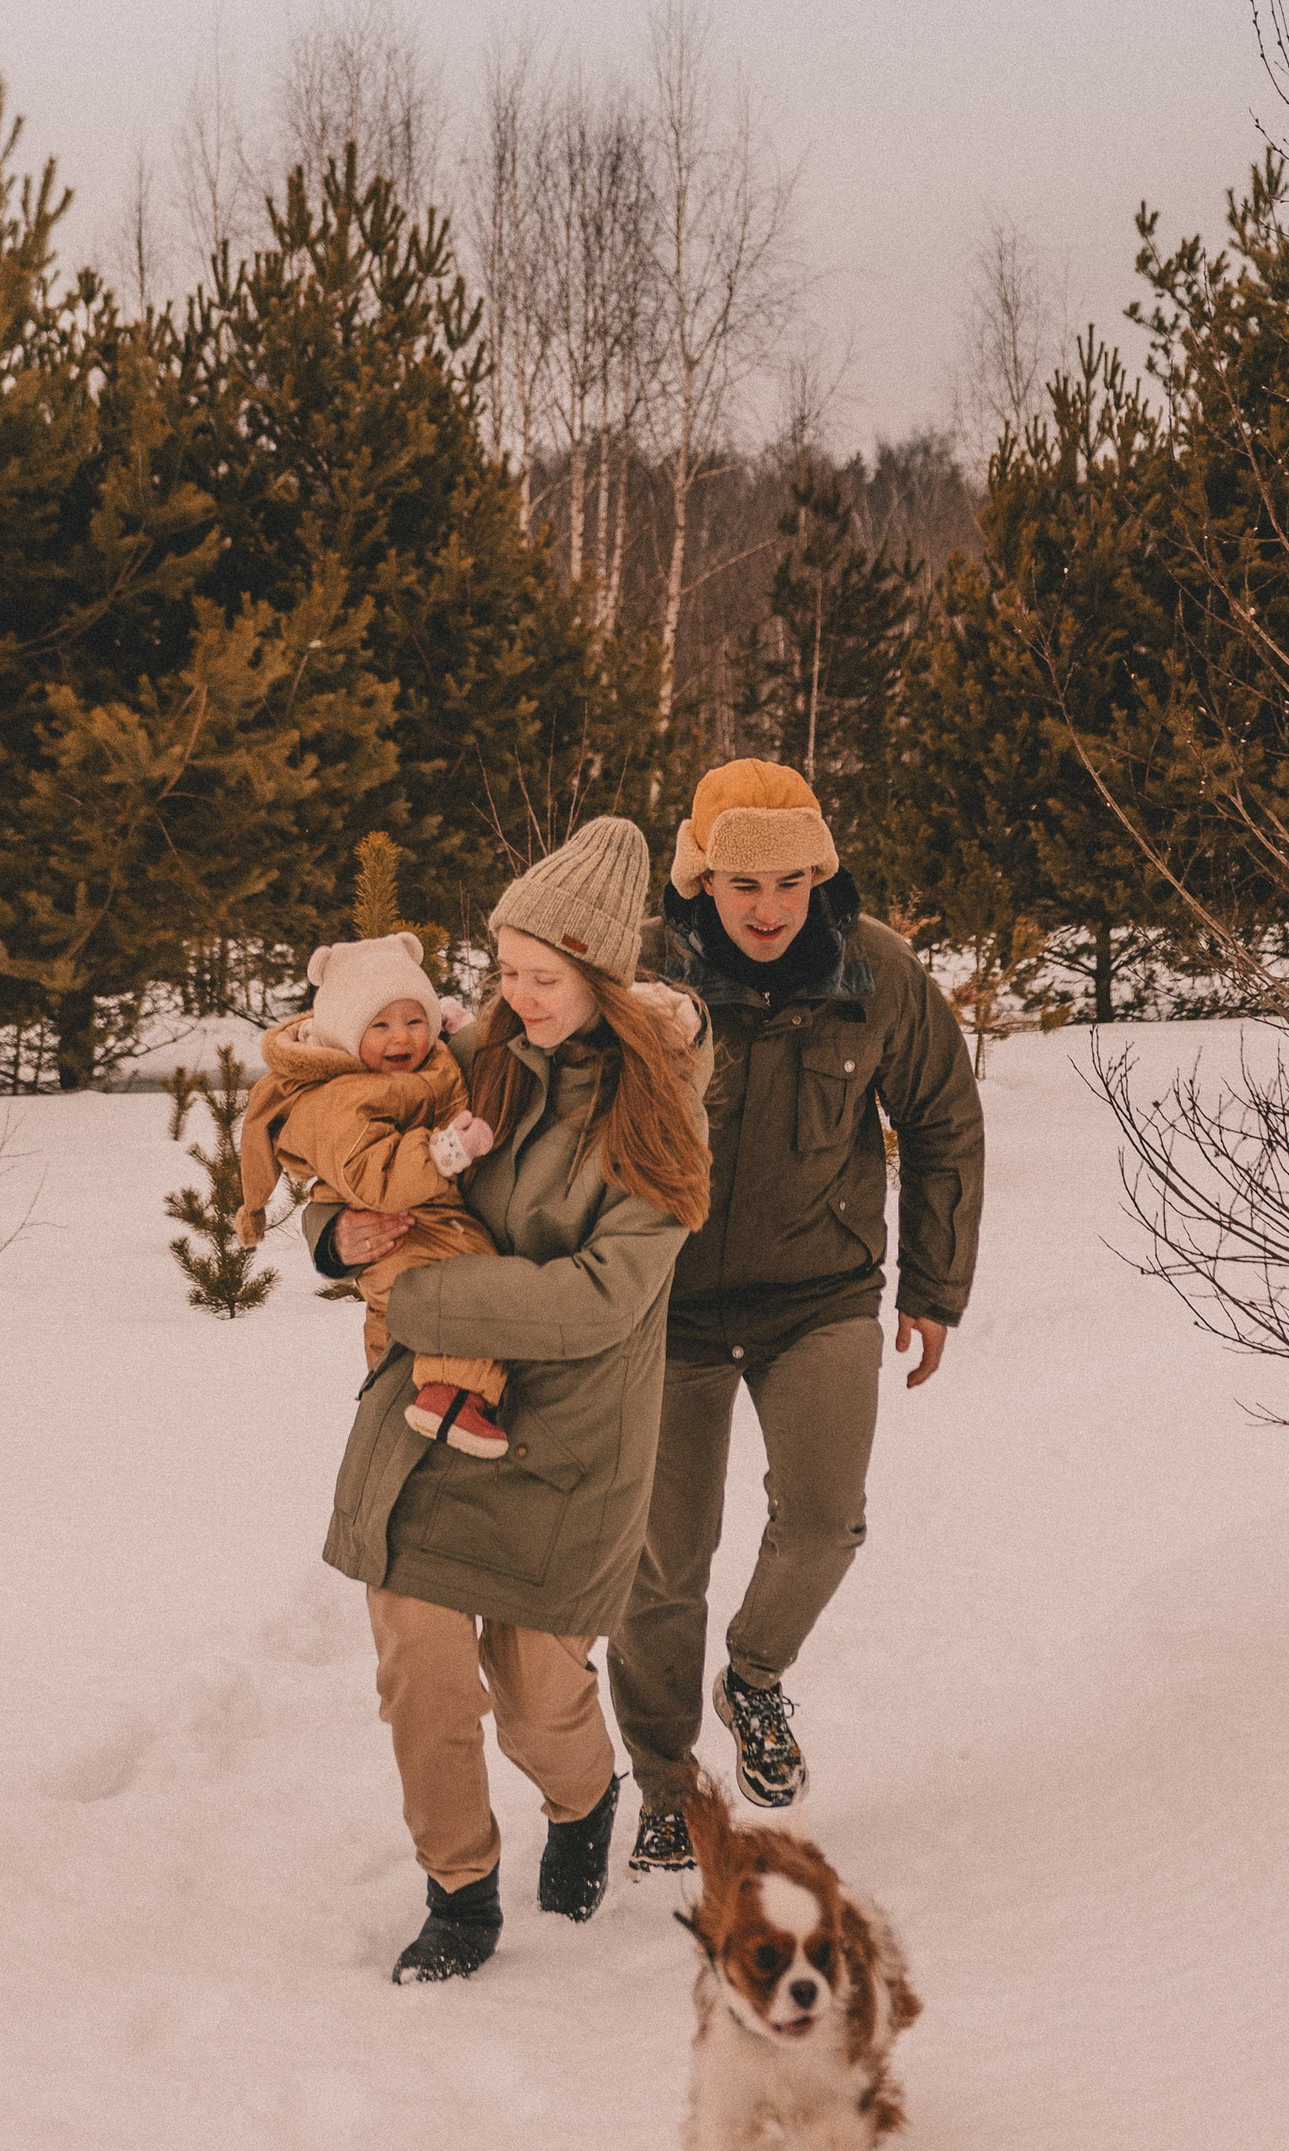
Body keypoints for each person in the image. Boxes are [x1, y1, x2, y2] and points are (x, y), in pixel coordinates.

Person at [308, 815, 712, 1984]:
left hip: (566, 1440)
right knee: (421, 1677)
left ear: (599, 976)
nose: (513, 995)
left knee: (538, 1702)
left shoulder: (659, 1111)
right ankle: (459, 1891)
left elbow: (600, 1299)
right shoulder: (464, 1058)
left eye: (541, 976)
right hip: (423, 1425)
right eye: (505, 971)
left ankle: (584, 1803)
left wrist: (425, 1295)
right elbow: (353, 1155)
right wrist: (341, 1232)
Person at [609, 760, 984, 1867]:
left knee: (825, 1521)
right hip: (663, 1308)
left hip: (817, 1293)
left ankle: (757, 1673)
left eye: (788, 880)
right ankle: (667, 1787)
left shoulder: (876, 971)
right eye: (741, 884)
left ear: (819, 871)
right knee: (661, 1565)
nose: (768, 908)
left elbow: (942, 1125)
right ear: (701, 878)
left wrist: (932, 1285)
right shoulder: (639, 973)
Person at [238, 927, 509, 1454]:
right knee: (462, 1288)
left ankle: (412, 1409)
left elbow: (443, 1085)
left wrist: (457, 1036)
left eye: (415, 1022)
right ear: (343, 1032)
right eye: (379, 1025)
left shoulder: (417, 1064)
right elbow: (372, 1174)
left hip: (424, 1224)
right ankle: (449, 1398)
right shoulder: (340, 1097)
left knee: (398, 1332)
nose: (401, 1039)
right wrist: (446, 1151)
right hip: (409, 1229)